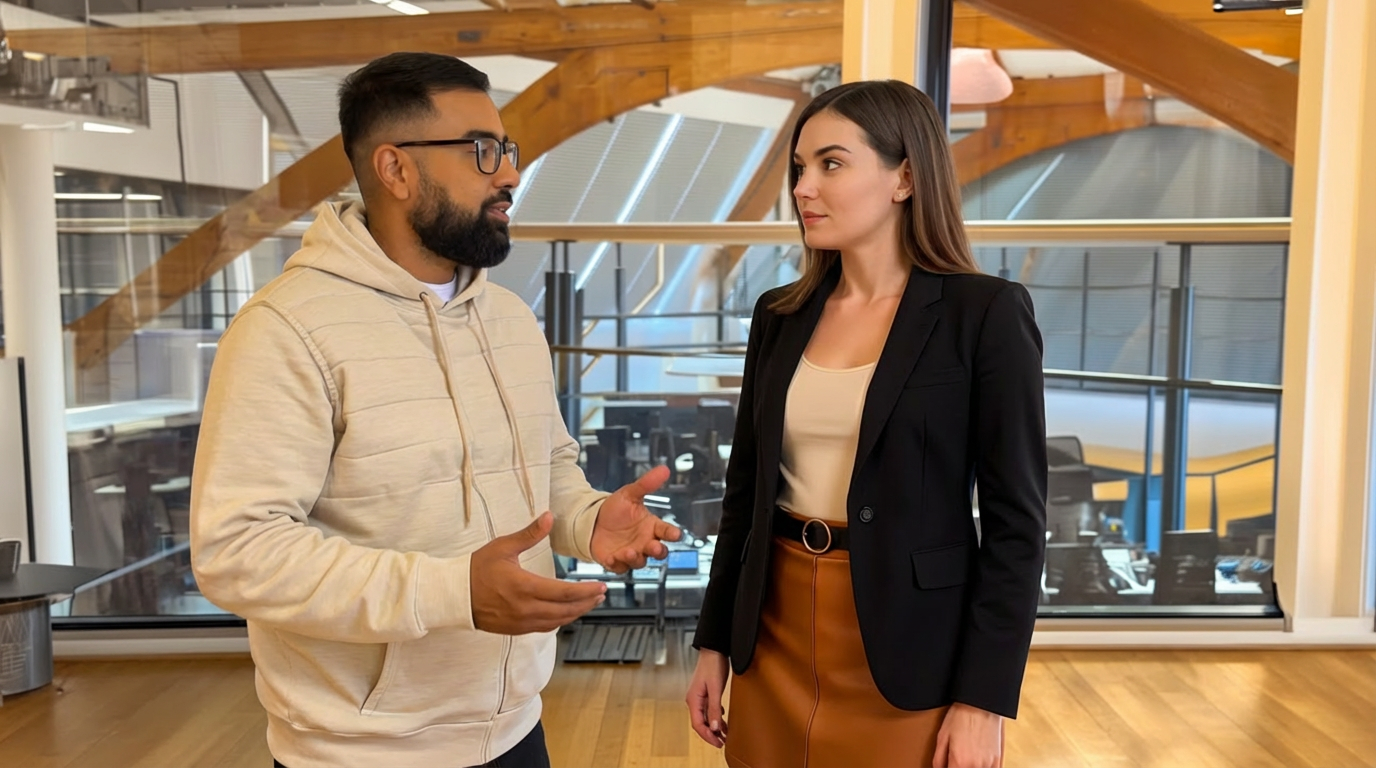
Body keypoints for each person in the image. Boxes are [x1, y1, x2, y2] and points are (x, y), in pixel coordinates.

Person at [189, 52, 681, 768]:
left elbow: (546, 470)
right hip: (360, 753)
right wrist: (453, 592)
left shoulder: (509, 318)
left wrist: (587, 518)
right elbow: (237, 554)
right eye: (483, 151)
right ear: (395, 170)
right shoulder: (285, 330)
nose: (509, 174)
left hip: (517, 729)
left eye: (507, 150)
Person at [685, 80, 1047, 768]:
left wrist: (984, 701)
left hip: (905, 642)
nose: (803, 188)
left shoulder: (986, 315)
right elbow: (746, 496)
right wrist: (713, 644)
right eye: (799, 168)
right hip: (773, 629)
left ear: (905, 176)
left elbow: (1017, 527)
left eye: (831, 163)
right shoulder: (780, 314)